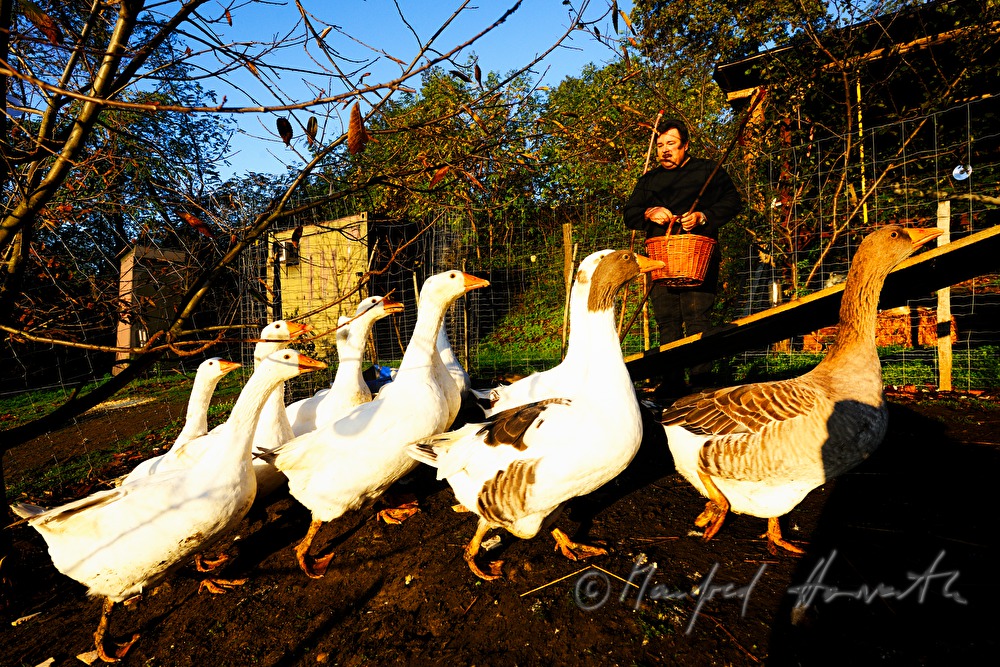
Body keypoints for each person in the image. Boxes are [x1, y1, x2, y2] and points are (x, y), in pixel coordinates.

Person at [624, 118, 744, 397]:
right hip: (661, 258)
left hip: (697, 255)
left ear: (685, 146)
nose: (665, 150)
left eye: (671, 144)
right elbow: (629, 213)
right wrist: (648, 212)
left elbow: (732, 201)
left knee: (697, 316)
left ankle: (701, 384)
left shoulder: (707, 171)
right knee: (667, 319)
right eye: (661, 145)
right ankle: (672, 383)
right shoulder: (649, 181)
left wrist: (704, 216)